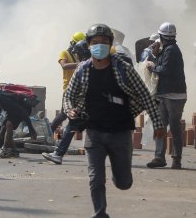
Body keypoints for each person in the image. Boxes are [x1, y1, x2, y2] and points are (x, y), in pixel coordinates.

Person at [63, 23, 165, 218]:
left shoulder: (123, 68)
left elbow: (144, 95)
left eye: (103, 42)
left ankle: (120, 176)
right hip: (94, 132)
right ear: (88, 45)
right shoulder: (83, 70)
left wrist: (158, 124)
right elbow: (68, 96)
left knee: (123, 182)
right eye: (95, 43)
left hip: (120, 132)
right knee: (95, 178)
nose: (99, 46)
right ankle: (100, 213)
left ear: (109, 44)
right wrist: (71, 111)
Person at [146, 22, 187, 169]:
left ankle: (176, 159)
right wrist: (156, 55)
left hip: (174, 96)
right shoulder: (167, 50)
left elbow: (166, 70)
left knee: (174, 127)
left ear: (162, 37)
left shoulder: (171, 50)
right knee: (160, 126)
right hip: (164, 94)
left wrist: (153, 67)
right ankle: (159, 158)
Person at [43, 31, 86, 165]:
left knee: (67, 117)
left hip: (80, 91)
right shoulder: (65, 53)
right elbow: (63, 66)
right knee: (63, 115)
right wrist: (79, 64)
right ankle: (48, 133)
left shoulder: (81, 56)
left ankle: (50, 136)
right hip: (69, 89)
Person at [0, 79, 37, 158]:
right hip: (14, 111)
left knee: (9, 125)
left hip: (24, 109)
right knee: (3, 130)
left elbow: (22, 111)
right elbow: (1, 111)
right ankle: (14, 151)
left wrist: (31, 128)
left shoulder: (3, 98)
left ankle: (5, 149)